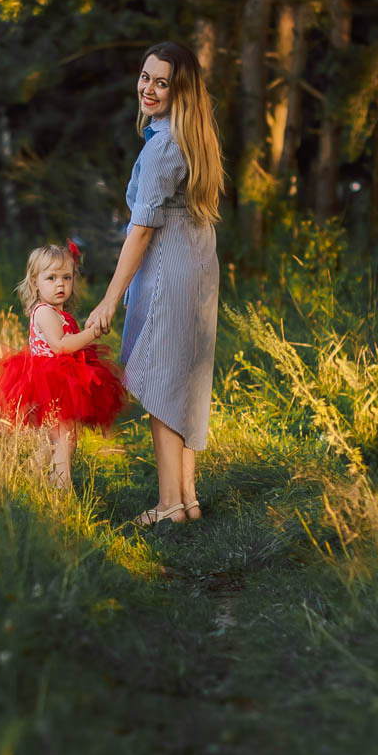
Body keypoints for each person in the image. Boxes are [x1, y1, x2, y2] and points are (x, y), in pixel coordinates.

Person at [82, 41, 223, 527]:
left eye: (162, 82)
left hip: (172, 267)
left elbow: (141, 230)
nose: (149, 88)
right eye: (145, 77)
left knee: (162, 384)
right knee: (182, 380)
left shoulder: (164, 145)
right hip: (199, 263)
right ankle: (187, 499)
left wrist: (109, 298)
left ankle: (168, 508)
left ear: (179, 90)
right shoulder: (188, 136)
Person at [0, 241, 127, 489]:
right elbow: (61, 345)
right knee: (64, 439)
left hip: (59, 381)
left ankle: (36, 480)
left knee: (57, 439)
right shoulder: (44, 313)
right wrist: (92, 333)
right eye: (51, 278)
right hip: (51, 383)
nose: (60, 284)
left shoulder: (56, 312)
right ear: (35, 283)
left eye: (66, 277)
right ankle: (61, 489)